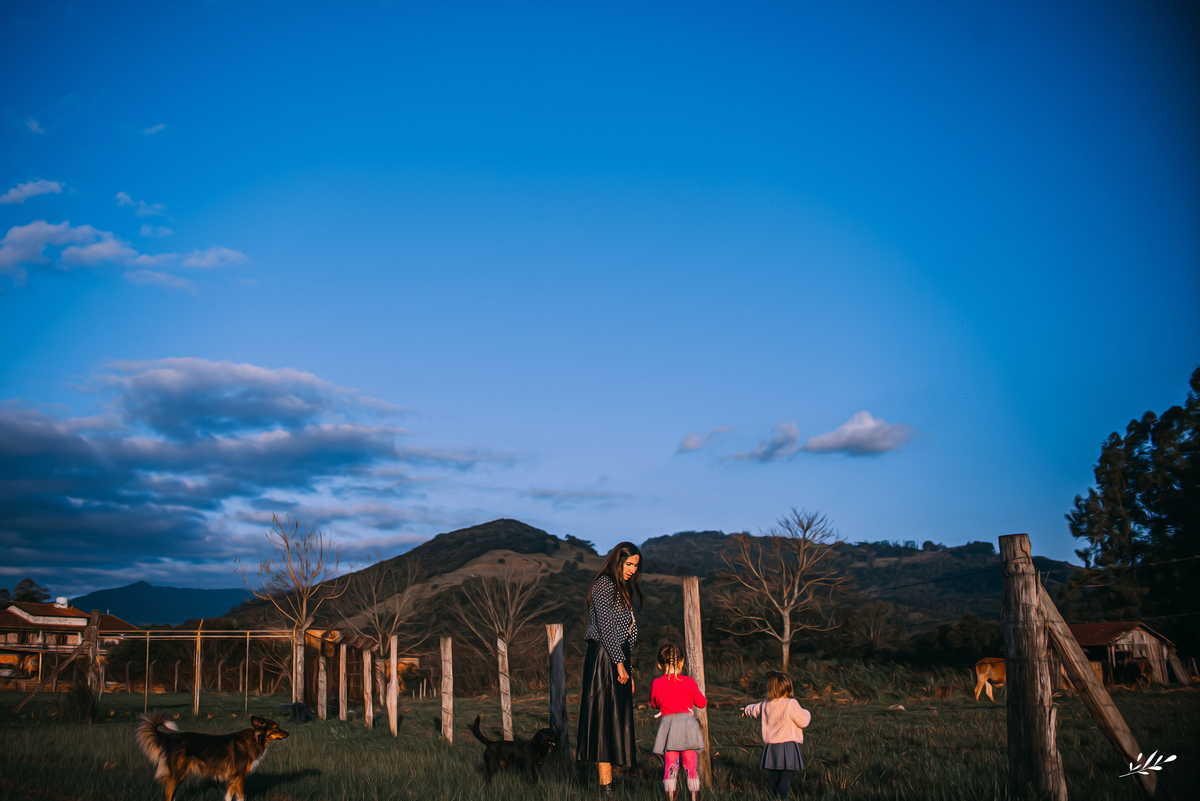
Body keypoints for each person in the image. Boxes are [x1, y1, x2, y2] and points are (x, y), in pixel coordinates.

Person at [576, 542, 643, 792]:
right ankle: (606, 788)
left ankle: (609, 784)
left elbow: (629, 636)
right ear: (618, 561)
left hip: (617, 657)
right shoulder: (604, 584)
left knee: (615, 720)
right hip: (604, 659)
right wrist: (619, 664)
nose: (633, 570)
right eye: (629, 564)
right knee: (604, 720)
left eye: (636, 566)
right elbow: (606, 628)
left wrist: (628, 668)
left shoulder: (621, 589)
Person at [650, 643, 707, 801]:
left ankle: (670, 797)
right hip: (688, 726)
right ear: (682, 663)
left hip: (668, 727)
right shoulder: (689, 682)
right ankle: (694, 796)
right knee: (691, 767)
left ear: (660, 664)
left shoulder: (657, 683)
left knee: (670, 767)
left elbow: (654, 703)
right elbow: (701, 703)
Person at [741, 671, 811, 799]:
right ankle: (780, 797)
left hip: (772, 747)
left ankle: (770, 797)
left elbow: (754, 709)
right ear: (787, 687)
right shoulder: (791, 704)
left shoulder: (766, 704)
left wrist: (746, 710)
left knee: (773, 776)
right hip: (788, 746)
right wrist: (807, 712)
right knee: (787, 774)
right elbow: (804, 721)